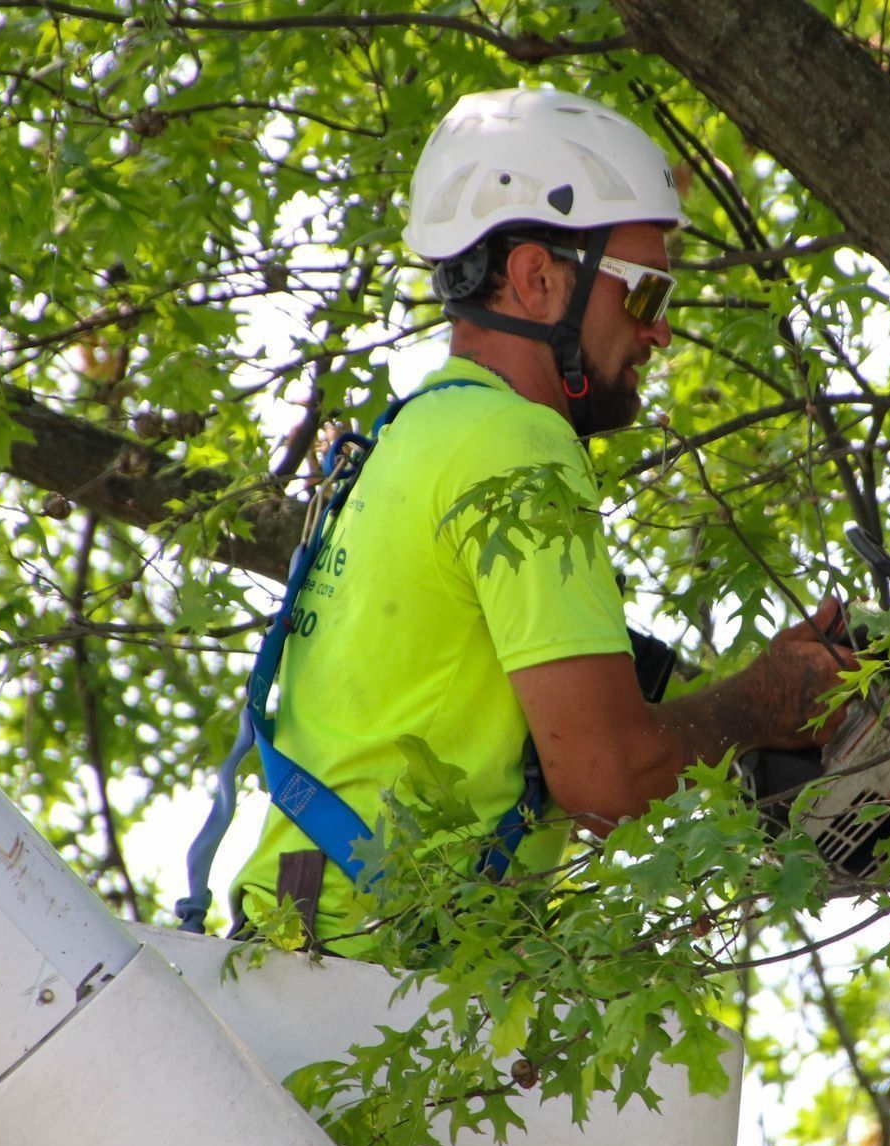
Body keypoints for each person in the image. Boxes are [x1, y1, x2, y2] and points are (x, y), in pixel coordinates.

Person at [228, 87, 851, 955]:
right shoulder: (519, 444)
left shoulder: (417, 434)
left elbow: (536, 712)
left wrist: (764, 708)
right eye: (644, 294)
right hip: (368, 966)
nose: (661, 332)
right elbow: (606, 777)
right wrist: (764, 701)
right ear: (536, 279)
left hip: (318, 946)